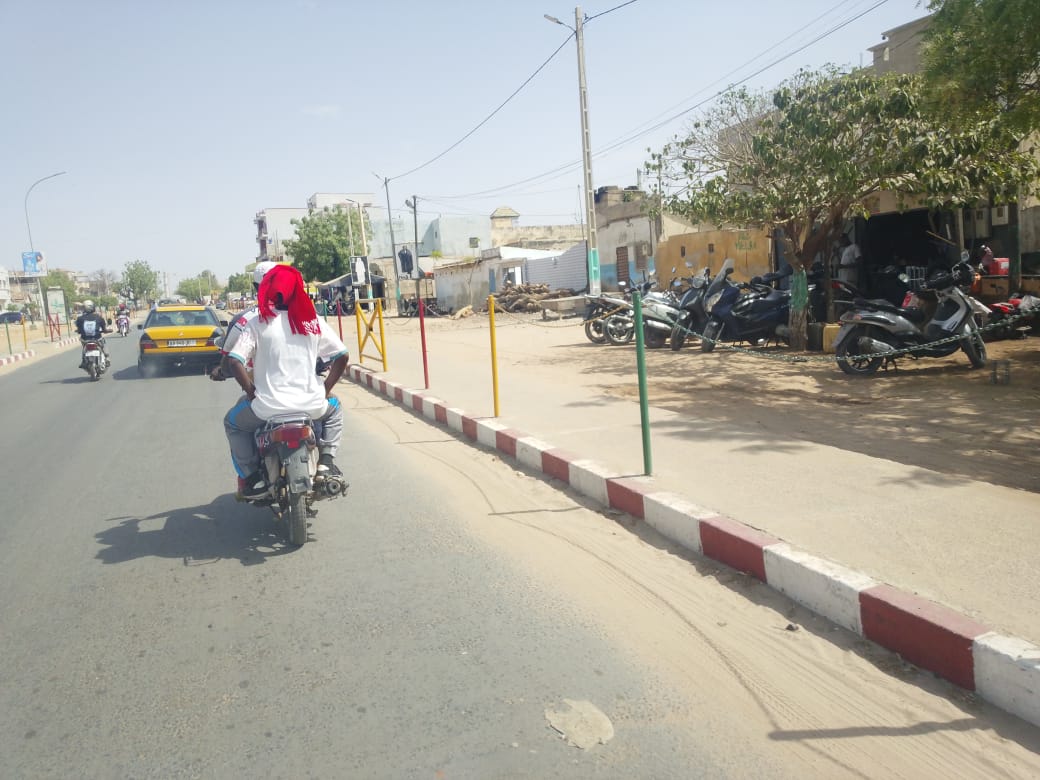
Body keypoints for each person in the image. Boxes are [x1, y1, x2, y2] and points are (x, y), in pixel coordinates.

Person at [223, 264, 349, 498]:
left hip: (266, 409)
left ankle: (251, 477)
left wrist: (251, 393)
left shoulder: (257, 323)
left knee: (232, 423)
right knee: (335, 408)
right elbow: (342, 355)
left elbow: (233, 360)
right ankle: (326, 463)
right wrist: (326, 388)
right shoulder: (312, 322)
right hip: (312, 406)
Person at [209, 260, 278, 382]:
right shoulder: (308, 316)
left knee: (243, 401)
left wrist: (221, 372)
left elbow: (232, 360)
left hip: (264, 393)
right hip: (306, 393)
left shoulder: (244, 319)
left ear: (255, 287)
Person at [74, 300, 111, 366]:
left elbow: (79, 329)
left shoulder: (80, 318)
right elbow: (104, 329)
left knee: (84, 345)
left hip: (85, 339)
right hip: (97, 338)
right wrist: (106, 331)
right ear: (93, 307)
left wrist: (79, 331)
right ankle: (107, 357)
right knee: (103, 343)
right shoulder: (99, 317)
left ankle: (83, 360)